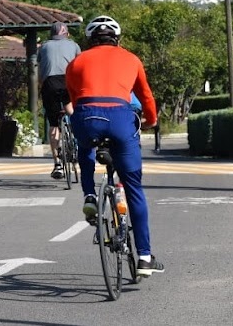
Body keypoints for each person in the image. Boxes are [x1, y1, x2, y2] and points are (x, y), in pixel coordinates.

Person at [65, 15, 165, 277]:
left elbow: (75, 100)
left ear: (90, 40)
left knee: (84, 149)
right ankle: (144, 257)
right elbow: (146, 96)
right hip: (121, 119)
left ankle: (89, 194)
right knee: (134, 187)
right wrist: (150, 121)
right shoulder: (131, 59)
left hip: (87, 117)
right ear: (117, 39)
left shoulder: (76, 62)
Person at [37, 21, 81, 180]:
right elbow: (80, 68)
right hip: (68, 82)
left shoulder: (44, 46)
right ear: (67, 34)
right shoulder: (74, 46)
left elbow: (40, 71)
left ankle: (57, 164)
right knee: (72, 112)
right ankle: (77, 145)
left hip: (49, 84)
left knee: (54, 125)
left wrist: (42, 86)